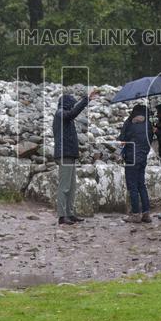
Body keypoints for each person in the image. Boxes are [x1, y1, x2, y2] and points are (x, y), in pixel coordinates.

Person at [52, 87, 99, 225]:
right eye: (71, 104)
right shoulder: (60, 113)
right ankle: (62, 216)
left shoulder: (65, 116)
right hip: (64, 154)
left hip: (69, 154)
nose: (72, 107)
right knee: (65, 186)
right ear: (67, 104)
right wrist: (86, 99)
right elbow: (72, 113)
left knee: (72, 187)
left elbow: (71, 113)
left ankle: (70, 214)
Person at [118, 103, 153, 223]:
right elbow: (150, 141)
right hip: (142, 158)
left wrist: (128, 122)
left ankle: (135, 214)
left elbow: (122, 140)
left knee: (132, 186)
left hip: (131, 158)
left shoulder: (130, 123)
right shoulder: (148, 124)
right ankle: (146, 213)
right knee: (141, 185)